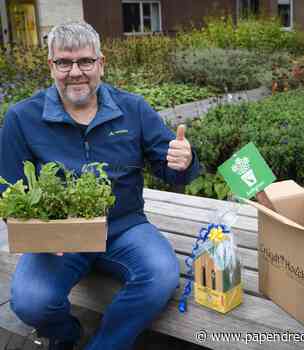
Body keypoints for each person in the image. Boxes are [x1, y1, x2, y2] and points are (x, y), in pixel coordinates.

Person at [0, 22, 200, 350]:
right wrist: (38, 230)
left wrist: (184, 161)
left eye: (85, 61)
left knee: (161, 276)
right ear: (51, 66)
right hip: (59, 235)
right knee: (31, 301)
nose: (75, 72)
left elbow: (172, 169)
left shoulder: (132, 108)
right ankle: (66, 335)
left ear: (101, 64)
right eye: (64, 62)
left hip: (124, 227)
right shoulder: (22, 118)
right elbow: (8, 190)